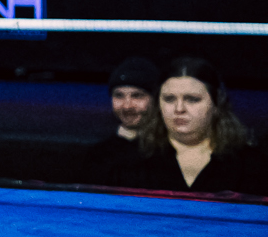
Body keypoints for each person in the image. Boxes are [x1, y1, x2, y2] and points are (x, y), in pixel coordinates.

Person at [104, 58, 267, 196]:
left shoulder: (252, 165)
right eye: (169, 99)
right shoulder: (128, 163)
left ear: (217, 103)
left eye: (192, 99)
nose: (179, 109)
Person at [78, 56, 159, 185]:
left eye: (137, 96)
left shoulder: (170, 152)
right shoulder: (97, 155)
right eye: (119, 95)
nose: (127, 106)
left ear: (155, 99)